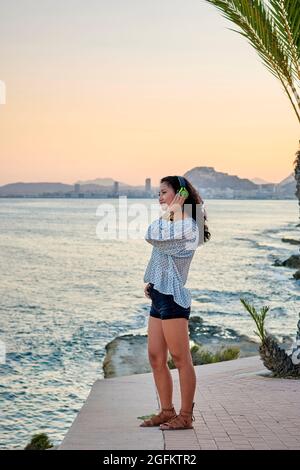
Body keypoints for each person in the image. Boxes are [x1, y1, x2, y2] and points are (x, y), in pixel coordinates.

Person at [140, 175, 210, 431]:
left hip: (173, 299)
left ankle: (185, 416)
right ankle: (166, 411)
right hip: (159, 294)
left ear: (179, 194)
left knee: (181, 358)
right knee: (156, 357)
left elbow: (152, 236)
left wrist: (172, 211)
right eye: (158, 193)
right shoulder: (172, 221)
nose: (159, 197)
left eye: (164, 192)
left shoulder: (189, 227)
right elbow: (158, 249)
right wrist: (154, 281)